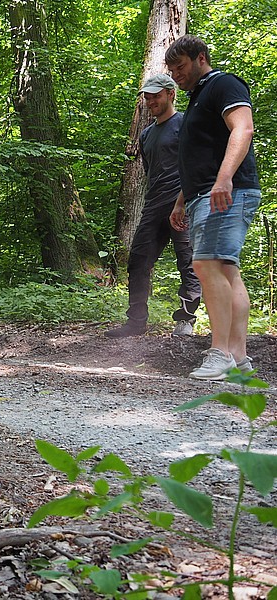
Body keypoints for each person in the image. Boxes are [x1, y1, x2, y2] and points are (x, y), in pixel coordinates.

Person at [166, 35, 261, 380]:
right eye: (171, 70)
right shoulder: (198, 97)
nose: (175, 75)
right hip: (203, 194)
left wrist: (224, 179)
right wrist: (182, 200)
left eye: (180, 67)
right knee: (225, 270)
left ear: (200, 58)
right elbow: (196, 157)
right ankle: (238, 357)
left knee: (206, 265)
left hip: (225, 192)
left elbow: (243, 129)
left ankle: (220, 352)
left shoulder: (224, 84)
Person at [105, 74, 202, 338]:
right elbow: (151, 173)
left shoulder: (186, 123)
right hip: (153, 207)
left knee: (188, 263)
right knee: (137, 261)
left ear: (171, 94)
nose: (150, 101)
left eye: (155, 96)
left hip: (183, 205)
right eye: (147, 97)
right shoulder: (146, 135)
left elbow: (195, 166)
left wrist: (184, 202)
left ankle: (186, 320)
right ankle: (136, 323)